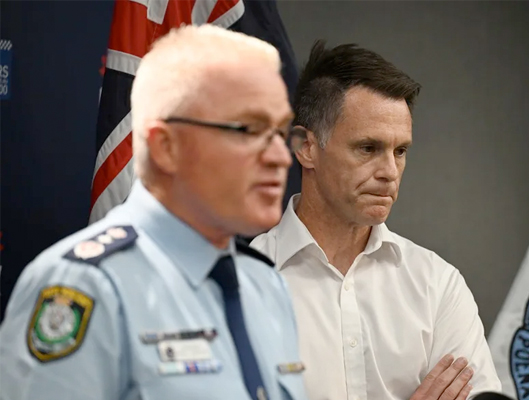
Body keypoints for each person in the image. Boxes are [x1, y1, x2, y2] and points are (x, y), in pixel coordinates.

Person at [0, 25, 307, 400]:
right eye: (249, 130)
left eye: (281, 132)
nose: (280, 157)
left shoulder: (266, 284)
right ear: (165, 147)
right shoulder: (86, 288)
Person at [251, 41, 502, 400]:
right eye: (368, 148)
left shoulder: (437, 285)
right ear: (306, 147)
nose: (390, 172)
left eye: (400, 151)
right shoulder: (242, 285)